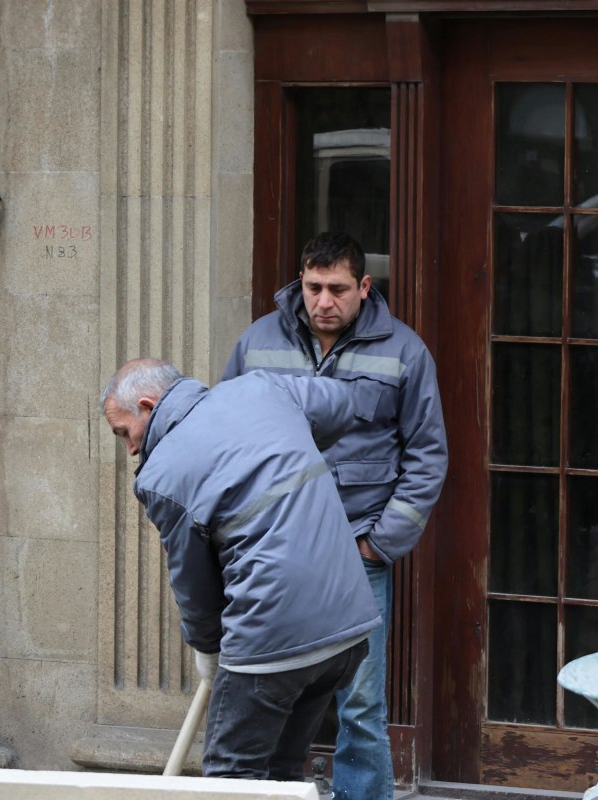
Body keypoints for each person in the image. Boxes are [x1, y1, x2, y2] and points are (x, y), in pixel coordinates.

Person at [220, 231, 446, 800]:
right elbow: (224, 436)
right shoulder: (255, 343)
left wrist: (378, 544)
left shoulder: (405, 351)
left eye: (338, 289)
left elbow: (427, 456)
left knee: (362, 701)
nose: (324, 301)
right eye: (314, 287)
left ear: (364, 287)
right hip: (277, 553)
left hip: (357, 550)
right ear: (301, 281)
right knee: (272, 688)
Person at [101, 357, 379, 782]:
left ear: (147, 404)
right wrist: (287, 441)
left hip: (272, 642)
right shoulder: (262, 390)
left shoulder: (162, 474)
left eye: (125, 432)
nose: (131, 449)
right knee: (281, 772)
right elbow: (341, 402)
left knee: (231, 777)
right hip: (348, 629)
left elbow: (195, 587)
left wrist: (209, 652)